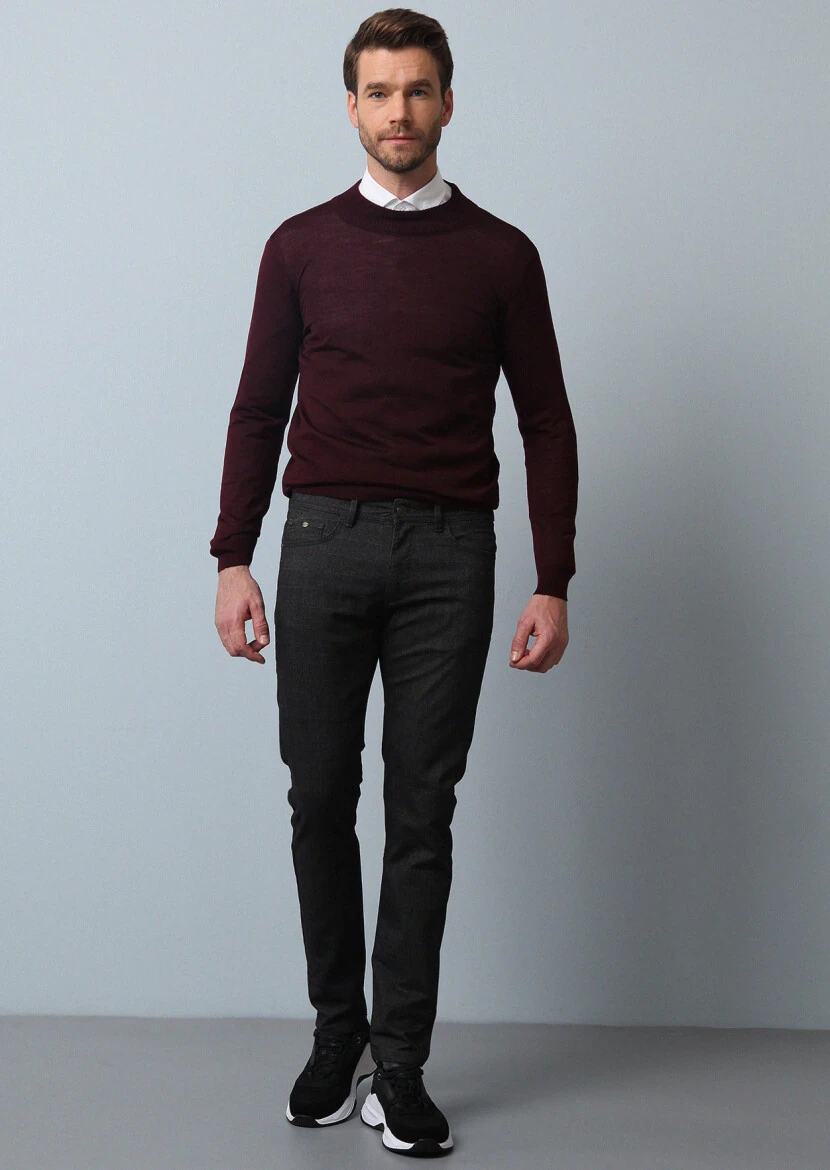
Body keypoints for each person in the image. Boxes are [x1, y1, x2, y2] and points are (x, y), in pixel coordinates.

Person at [210, 8, 578, 1158]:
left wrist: (553, 577)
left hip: (448, 558)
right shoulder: (299, 246)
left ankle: (401, 1067)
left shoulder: (501, 255)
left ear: (447, 103)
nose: (399, 111)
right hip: (321, 543)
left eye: (418, 89)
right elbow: (258, 407)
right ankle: (339, 1038)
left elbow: (545, 420)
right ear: (352, 107)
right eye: (378, 91)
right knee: (319, 798)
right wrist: (232, 556)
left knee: (422, 813)